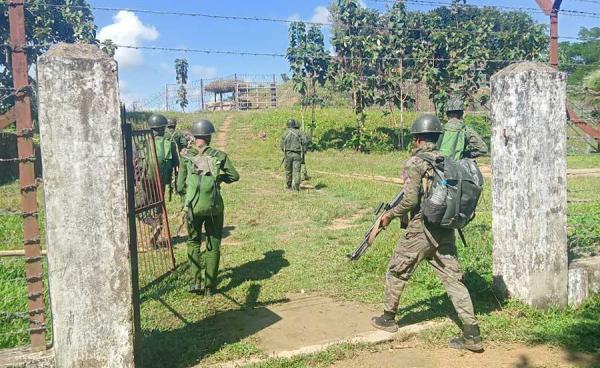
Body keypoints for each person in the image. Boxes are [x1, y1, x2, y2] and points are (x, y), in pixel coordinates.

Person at [370, 114, 483, 352]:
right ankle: (472, 333)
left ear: (419, 138)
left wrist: (389, 215)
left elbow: (410, 200)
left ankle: (388, 318)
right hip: (445, 228)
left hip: (421, 229)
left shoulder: (416, 163)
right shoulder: (445, 161)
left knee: (397, 269)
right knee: (453, 279)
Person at [176, 119, 240, 295]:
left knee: (193, 242)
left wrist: (186, 199)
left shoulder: (187, 157)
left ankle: (196, 281)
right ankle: (210, 287)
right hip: (214, 207)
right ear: (209, 137)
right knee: (213, 244)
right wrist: (218, 179)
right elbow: (234, 176)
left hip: (192, 207)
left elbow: (180, 186)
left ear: (195, 137)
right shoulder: (219, 156)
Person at [147, 114, 178, 196]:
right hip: (162, 179)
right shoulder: (170, 143)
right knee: (160, 198)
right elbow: (176, 163)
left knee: (149, 199)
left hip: (146, 179)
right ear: (162, 128)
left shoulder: (144, 142)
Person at [280, 119, 306, 191]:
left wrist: (285, 151)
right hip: (297, 154)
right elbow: (305, 141)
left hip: (288, 154)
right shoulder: (299, 133)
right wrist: (303, 150)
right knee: (297, 171)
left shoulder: (285, 133)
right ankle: (296, 188)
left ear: (287, 125)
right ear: (294, 124)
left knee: (288, 171)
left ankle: (288, 187)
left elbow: (282, 145)